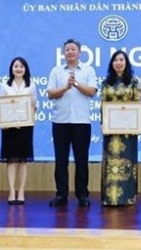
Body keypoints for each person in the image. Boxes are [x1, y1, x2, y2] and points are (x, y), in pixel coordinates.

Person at [47, 38, 97, 207]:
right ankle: (61, 194)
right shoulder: (56, 71)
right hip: (60, 121)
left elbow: (92, 92)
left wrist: (75, 84)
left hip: (81, 122)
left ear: (79, 52)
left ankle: (82, 195)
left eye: (73, 49)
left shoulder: (88, 70)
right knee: (61, 160)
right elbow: (50, 93)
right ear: (63, 53)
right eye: (67, 49)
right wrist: (65, 88)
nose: (70, 52)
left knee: (81, 160)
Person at [100, 50, 141, 206]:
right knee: (111, 164)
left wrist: (135, 123)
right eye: (116, 60)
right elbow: (102, 105)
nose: (118, 62)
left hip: (128, 131)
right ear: (112, 63)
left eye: (121, 60)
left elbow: (138, 103)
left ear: (126, 62)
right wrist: (103, 123)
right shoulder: (106, 82)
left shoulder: (134, 81)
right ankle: (110, 198)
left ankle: (128, 197)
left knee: (127, 163)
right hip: (111, 131)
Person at [0, 57, 37, 205]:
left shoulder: (31, 86)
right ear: (12, 69)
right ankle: (11, 192)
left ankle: (21, 192)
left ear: (25, 69)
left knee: (23, 161)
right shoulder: (5, 86)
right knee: (11, 161)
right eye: (16, 66)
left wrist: (33, 105)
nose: (19, 69)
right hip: (9, 128)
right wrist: (3, 121)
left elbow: (35, 105)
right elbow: (0, 105)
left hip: (26, 128)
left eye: (22, 66)